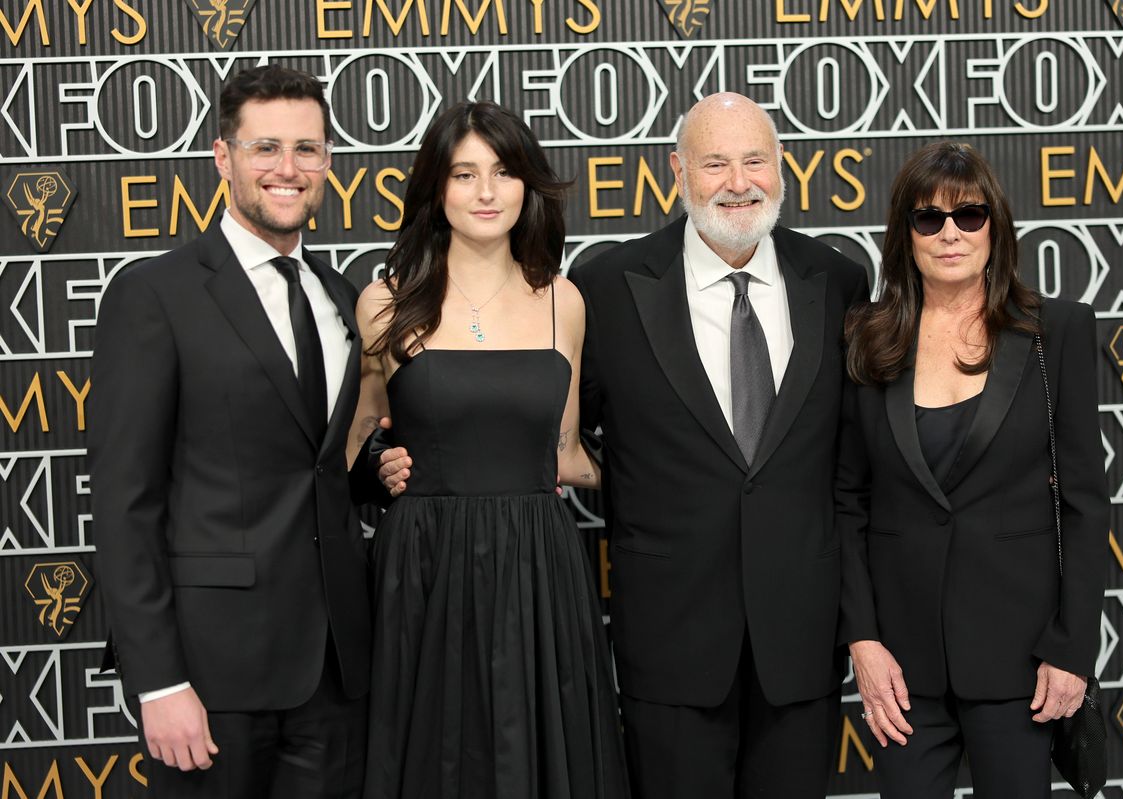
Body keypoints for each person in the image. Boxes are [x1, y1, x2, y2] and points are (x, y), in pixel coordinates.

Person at [374, 91, 870, 797]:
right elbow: (553, 432)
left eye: (756, 160)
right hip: (668, 642)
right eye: (716, 162)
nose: (738, 182)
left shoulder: (839, 280)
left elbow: (853, 467)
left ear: (782, 168)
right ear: (677, 170)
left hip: (803, 643)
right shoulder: (605, 288)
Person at [88, 65, 371, 798]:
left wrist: (380, 468)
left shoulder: (340, 295)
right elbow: (126, 504)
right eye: (265, 147)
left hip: (337, 670)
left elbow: (316, 464)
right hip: (213, 676)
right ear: (224, 158)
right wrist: (158, 682)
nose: (288, 168)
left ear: (328, 162)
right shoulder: (156, 295)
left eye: (307, 149)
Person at [349, 100, 627, 798]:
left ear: (527, 185)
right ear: (435, 189)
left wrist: (675, 474)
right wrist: (376, 470)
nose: (485, 192)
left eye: (503, 172)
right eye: (464, 174)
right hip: (424, 561)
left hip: (539, 563)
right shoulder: (384, 302)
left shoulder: (563, 299)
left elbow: (564, 452)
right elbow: (357, 444)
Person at [837, 142, 1110, 798]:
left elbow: (1085, 501)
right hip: (903, 667)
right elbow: (847, 500)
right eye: (928, 219)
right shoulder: (868, 338)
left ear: (997, 226)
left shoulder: (1057, 332)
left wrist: (1073, 648)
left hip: (1022, 659)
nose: (950, 233)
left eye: (969, 215)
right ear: (905, 234)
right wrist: (864, 641)